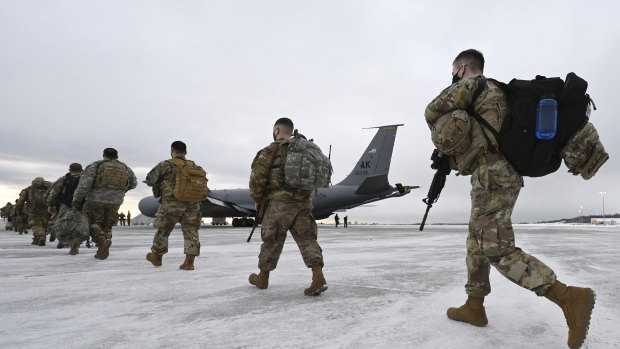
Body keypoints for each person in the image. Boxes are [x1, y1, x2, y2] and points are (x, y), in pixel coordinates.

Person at [424, 49, 595, 349]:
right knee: (476, 240)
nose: (452, 77)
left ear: (462, 68)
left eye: (454, 71)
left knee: (497, 249)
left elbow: (431, 110)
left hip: (493, 173)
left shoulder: (471, 86)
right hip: (494, 172)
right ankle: (474, 306)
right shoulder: (497, 93)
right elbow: (480, 136)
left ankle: (569, 297)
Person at [247, 117, 327, 296]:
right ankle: (318, 276)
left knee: (272, 240)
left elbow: (257, 177)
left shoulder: (271, 150)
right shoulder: (306, 149)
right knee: (307, 240)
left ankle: (263, 278)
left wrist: (257, 198)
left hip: (279, 205)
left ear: (276, 130)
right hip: (303, 203)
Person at [145, 141, 206, 270]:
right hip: (192, 205)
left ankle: (157, 257)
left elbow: (150, 179)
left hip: (171, 204)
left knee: (163, 230)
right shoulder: (196, 167)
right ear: (186, 153)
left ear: (172, 150)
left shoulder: (165, 165)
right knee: (191, 231)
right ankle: (189, 262)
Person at [72, 148, 137, 260]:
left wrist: (77, 199)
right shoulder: (125, 167)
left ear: (104, 155)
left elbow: (85, 184)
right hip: (116, 201)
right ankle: (103, 246)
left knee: (91, 222)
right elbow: (133, 183)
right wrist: (120, 191)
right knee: (107, 225)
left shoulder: (96, 165)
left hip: (95, 199)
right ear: (117, 156)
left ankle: (101, 241)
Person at [46, 163, 83, 255]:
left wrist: (50, 205)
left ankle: (66, 241)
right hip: (82, 205)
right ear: (82, 170)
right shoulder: (86, 179)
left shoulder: (64, 179)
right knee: (79, 225)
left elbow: (54, 192)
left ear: (69, 170)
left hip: (65, 205)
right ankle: (75, 243)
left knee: (65, 224)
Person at [16, 177, 52, 245]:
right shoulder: (49, 189)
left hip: (33, 210)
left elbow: (20, 201)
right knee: (44, 224)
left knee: (35, 224)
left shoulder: (28, 189)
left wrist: (19, 210)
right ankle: (37, 239)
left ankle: (41, 236)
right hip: (46, 210)